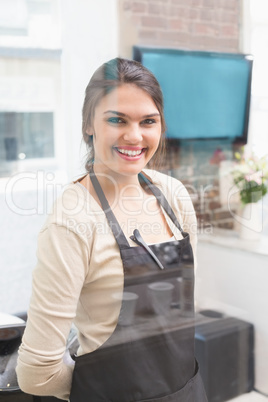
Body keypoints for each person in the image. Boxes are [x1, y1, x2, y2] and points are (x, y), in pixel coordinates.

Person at [16, 58, 207, 401]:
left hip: (188, 391)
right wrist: (101, 390)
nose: (134, 136)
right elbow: (36, 372)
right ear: (89, 124)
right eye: (117, 119)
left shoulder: (173, 194)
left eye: (148, 121)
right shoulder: (73, 221)